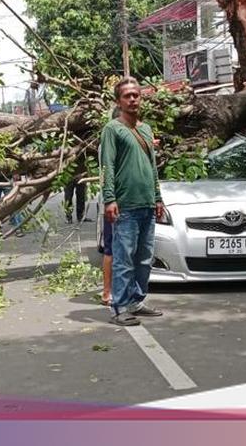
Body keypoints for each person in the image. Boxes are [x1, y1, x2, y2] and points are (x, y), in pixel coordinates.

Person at [100, 77, 165, 326]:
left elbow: (152, 167)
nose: (133, 99)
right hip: (124, 205)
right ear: (119, 101)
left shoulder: (146, 129)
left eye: (136, 95)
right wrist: (110, 199)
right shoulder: (112, 129)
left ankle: (137, 300)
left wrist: (158, 198)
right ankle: (120, 307)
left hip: (147, 204)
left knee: (144, 258)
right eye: (127, 95)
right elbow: (108, 165)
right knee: (124, 258)